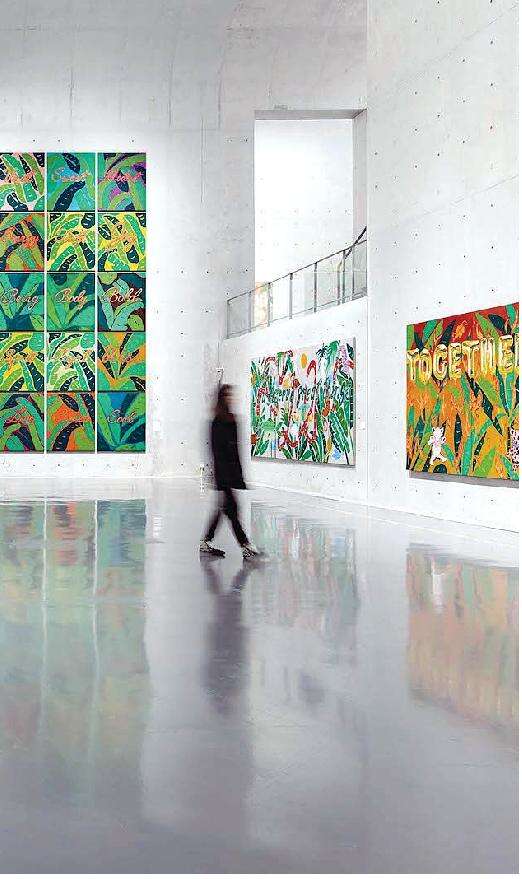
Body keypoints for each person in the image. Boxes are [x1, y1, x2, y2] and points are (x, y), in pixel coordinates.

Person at [200, 384, 261, 559]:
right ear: (221, 398)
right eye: (227, 396)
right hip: (223, 474)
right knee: (232, 510)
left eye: (231, 396)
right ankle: (245, 545)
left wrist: (239, 476)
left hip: (231, 474)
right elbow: (216, 452)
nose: (231, 399)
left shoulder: (232, 420)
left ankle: (206, 540)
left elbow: (236, 451)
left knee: (224, 509)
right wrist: (222, 477)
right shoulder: (216, 422)